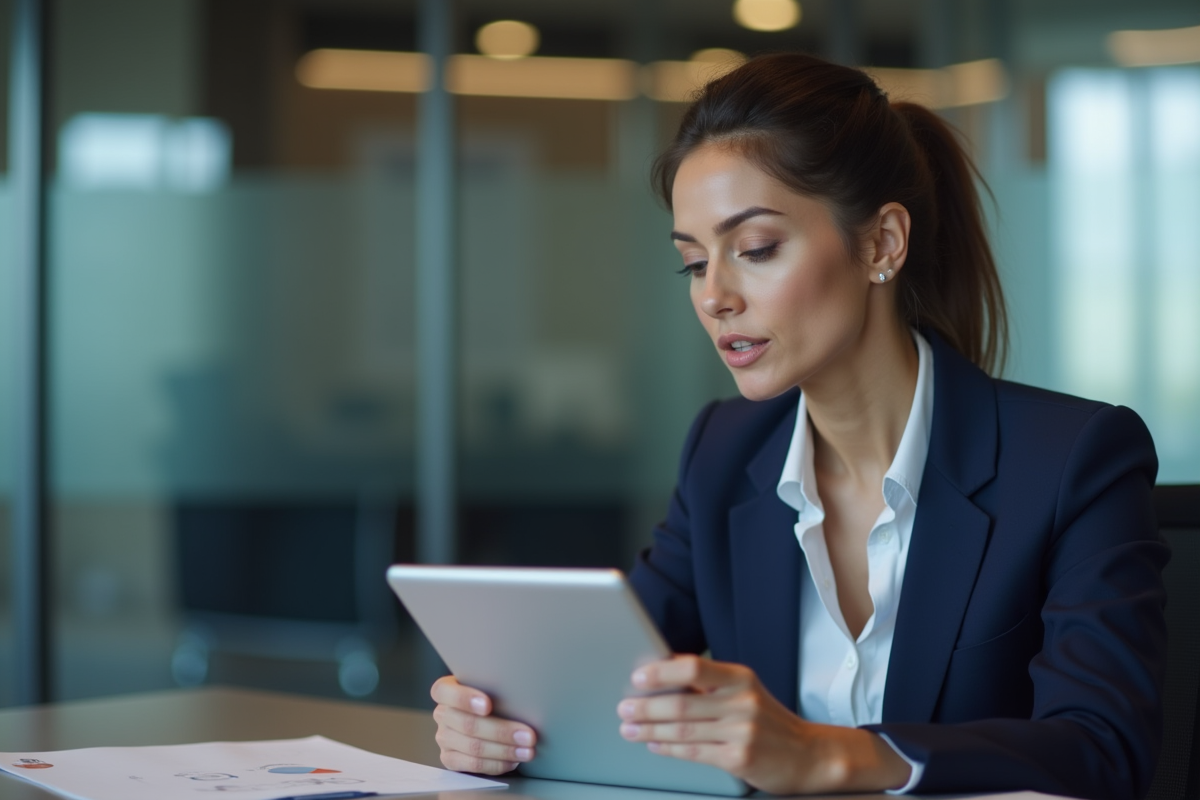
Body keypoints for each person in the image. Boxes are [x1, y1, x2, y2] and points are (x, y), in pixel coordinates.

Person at [429, 53, 1168, 799]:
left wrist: (825, 756)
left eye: (755, 250)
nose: (714, 296)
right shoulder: (724, 454)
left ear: (881, 244)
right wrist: (497, 717)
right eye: (694, 263)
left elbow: (1104, 751)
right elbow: (607, 684)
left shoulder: (1072, 460)